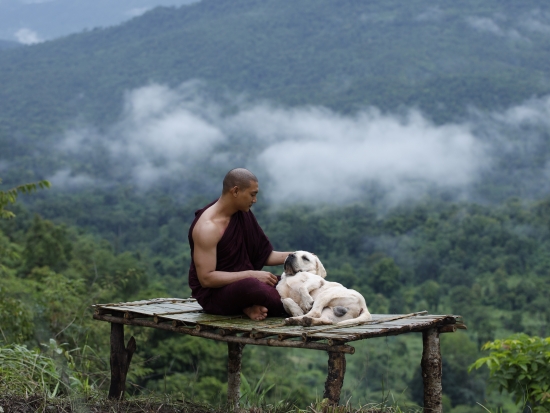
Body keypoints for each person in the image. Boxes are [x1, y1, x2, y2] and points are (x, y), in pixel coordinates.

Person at [188, 168, 292, 321]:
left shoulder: (242, 213)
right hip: (214, 294)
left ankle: (248, 307)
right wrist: (252, 274)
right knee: (253, 287)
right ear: (235, 191)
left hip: (243, 286)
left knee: (292, 282)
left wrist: (298, 257)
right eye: (252, 194)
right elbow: (206, 279)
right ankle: (294, 305)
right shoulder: (208, 228)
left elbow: (264, 255)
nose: (255, 200)